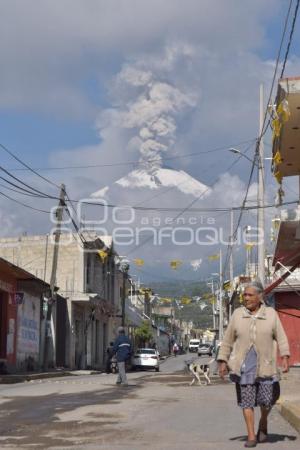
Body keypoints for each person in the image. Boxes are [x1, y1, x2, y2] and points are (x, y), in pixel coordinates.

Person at [217, 281, 290, 448]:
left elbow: (281, 336)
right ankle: (251, 435)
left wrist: (285, 357)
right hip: (243, 367)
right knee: (247, 401)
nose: (246, 298)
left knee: (266, 400)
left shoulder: (271, 314)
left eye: (250, 295)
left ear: (260, 296)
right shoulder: (237, 314)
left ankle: (263, 423)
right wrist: (223, 361)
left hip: (266, 365)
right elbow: (227, 340)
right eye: (244, 295)